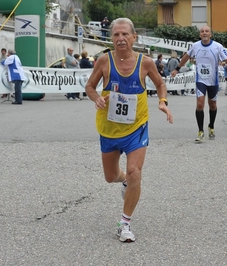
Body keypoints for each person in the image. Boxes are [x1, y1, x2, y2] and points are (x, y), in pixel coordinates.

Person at [84, 17, 173, 242]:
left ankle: (125, 224)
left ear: (134, 37)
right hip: (109, 129)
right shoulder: (104, 61)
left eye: (125, 34)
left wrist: (163, 101)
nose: (121, 38)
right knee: (110, 176)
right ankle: (122, 180)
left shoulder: (146, 63)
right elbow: (90, 86)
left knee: (135, 172)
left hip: (136, 127)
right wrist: (96, 98)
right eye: (116, 35)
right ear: (111, 38)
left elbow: (160, 83)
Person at [171, 25, 227, 142]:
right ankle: (200, 131)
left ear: (210, 34)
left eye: (207, 31)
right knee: (200, 104)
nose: (204, 33)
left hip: (213, 81)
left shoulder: (217, 46)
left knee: (212, 105)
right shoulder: (195, 46)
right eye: (202, 31)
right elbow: (186, 57)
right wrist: (177, 69)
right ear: (200, 34)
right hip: (201, 80)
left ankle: (211, 126)